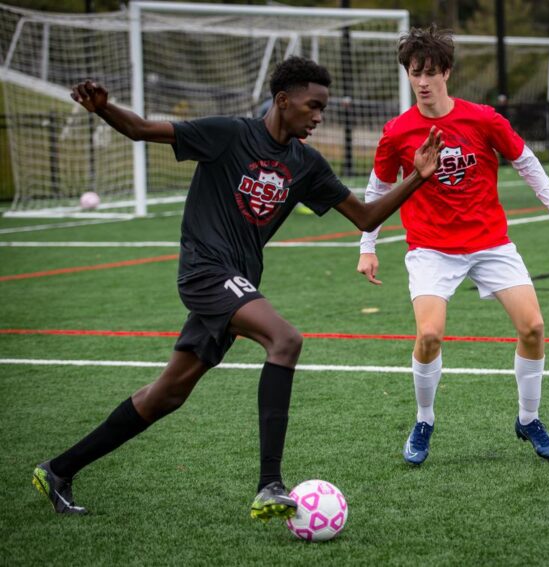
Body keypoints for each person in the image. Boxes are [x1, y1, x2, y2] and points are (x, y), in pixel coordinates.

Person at [32, 57, 443, 517]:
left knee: (168, 393)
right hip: (205, 272)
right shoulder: (228, 134)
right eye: (313, 106)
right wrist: (104, 109)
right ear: (283, 101)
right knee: (285, 340)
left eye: (322, 108)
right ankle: (271, 484)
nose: (319, 117)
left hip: (239, 281)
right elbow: (143, 130)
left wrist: (417, 177)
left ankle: (58, 469)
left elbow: (366, 217)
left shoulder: (305, 164)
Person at [356, 26, 549, 465]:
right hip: (431, 248)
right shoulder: (398, 131)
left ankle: (528, 419)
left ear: (447, 72)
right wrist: (368, 245)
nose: (421, 81)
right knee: (429, 334)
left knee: (533, 328)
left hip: (490, 243)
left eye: (429, 72)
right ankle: (424, 420)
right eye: (413, 72)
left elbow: (525, 160)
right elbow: (377, 187)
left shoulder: (481, 119)